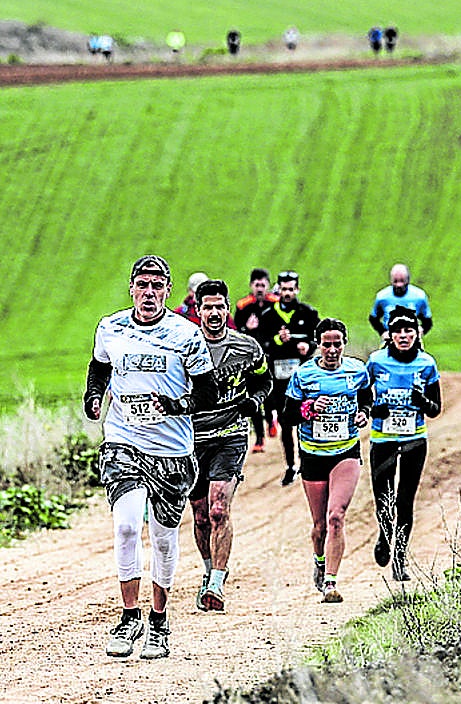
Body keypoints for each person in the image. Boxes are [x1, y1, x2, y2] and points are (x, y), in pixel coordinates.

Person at [84, 255, 218, 660]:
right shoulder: (111, 327)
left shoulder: (186, 334)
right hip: (123, 439)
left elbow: (207, 393)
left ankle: (158, 623)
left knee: (162, 538)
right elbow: (99, 366)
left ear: (168, 291)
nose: (149, 293)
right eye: (142, 285)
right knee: (126, 528)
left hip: (172, 449)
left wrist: (175, 405)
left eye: (157, 286)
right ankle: (129, 617)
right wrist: (93, 396)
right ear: (131, 288)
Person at [188, 279, 271, 612]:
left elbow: (264, 380)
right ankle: (209, 571)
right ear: (198, 309)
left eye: (219, 306)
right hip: (191, 439)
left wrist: (255, 401)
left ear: (227, 308)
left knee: (218, 509)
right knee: (199, 516)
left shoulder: (247, 347)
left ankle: (217, 585)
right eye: (207, 306)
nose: (213, 312)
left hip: (230, 435)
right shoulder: (185, 348)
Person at [279, 318, 372, 603]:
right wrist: (308, 409)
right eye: (326, 345)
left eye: (337, 344)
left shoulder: (357, 370)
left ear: (344, 344)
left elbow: (367, 399)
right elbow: (287, 416)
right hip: (313, 455)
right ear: (318, 345)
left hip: (346, 452)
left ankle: (331, 582)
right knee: (319, 525)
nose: (332, 350)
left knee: (336, 517)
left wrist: (363, 413)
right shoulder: (304, 374)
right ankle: (320, 560)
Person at [367, 308, 441, 582]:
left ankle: (400, 557)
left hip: (414, 439)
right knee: (383, 497)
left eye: (409, 331)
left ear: (417, 334)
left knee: (405, 499)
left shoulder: (426, 363)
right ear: (390, 335)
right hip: (383, 438)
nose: (403, 336)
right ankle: (385, 536)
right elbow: (362, 400)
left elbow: (435, 409)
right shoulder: (375, 362)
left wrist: (422, 402)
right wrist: (377, 409)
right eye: (398, 331)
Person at [257, 271, 320, 486]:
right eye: (284, 289)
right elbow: (261, 345)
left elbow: (317, 341)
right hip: (280, 379)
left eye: (291, 289)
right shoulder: (268, 316)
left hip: (304, 379)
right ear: (278, 290)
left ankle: (307, 461)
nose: (287, 293)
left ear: (297, 290)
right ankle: (291, 465)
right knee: (285, 423)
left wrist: (308, 347)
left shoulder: (308, 313)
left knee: (306, 419)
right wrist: (278, 340)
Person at [233, 267, 278, 452]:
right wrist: (248, 329)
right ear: (251, 286)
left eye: (262, 284)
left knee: (269, 393)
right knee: (253, 397)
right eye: (256, 285)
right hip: (250, 360)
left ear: (268, 285)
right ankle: (259, 438)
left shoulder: (275, 304)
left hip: (271, 356)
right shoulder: (243, 306)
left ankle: (271, 419)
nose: (259, 288)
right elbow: (235, 332)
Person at [368, 263, 434, 339]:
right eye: (395, 281)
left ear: (408, 280)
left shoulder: (419, 296)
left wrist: (421, 330)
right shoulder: (382, 297)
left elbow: (427, 321)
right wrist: (382, 332)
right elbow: (373, 318)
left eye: (402, 281)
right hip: (390, 338)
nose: (399, 285)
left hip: (412, 339)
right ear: (391, 281)